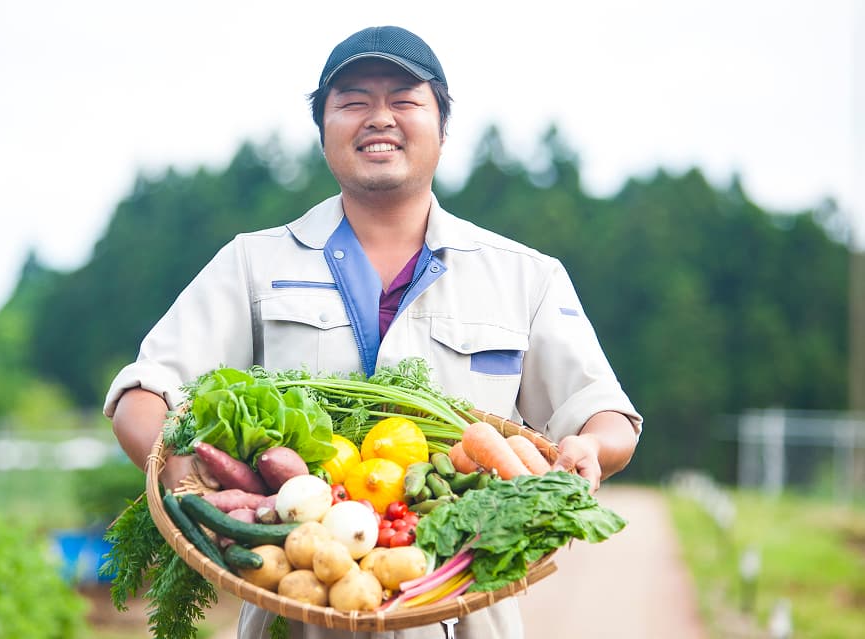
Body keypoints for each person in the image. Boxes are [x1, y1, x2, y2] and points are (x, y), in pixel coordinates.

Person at [105, 25, 642, 639]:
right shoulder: (253, 265)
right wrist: (190, 488)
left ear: (442, 127)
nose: (379, 118)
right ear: (323, 131)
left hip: (463, 608)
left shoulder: (525, 276)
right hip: (295, 594)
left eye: (406, 101)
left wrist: (589, 451)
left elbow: (605, 417)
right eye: (354, 101)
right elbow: (143, 393)